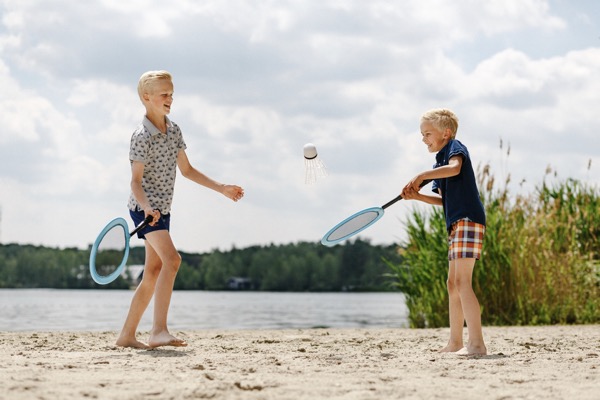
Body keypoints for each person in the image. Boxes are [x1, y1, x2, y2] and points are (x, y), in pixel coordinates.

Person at [116, 70, 244, 349]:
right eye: (164, 94)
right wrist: (147, 207)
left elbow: (186, 170)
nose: (170, 99)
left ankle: (126, 336)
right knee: (172, 261)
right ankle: (158, 331)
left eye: (171, 94)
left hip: (163, 210)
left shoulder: (174, 131)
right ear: (146, 97)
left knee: (153, 270)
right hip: (144, 210)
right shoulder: (141, 136)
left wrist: (221, 187)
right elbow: (135, 183)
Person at [401, 108, 487, 356]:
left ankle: (477, 344)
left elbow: (455, 168)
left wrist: (422, 175)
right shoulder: (439, 162)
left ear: (446, 133)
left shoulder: (454, 149)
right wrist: (417, 195)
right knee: (452, 284)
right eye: (422, 134)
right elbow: (444, 201)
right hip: (456, 223)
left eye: (427, 133)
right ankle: (455, 342)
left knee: (462, 282)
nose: (423, 139)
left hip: (468, 220)